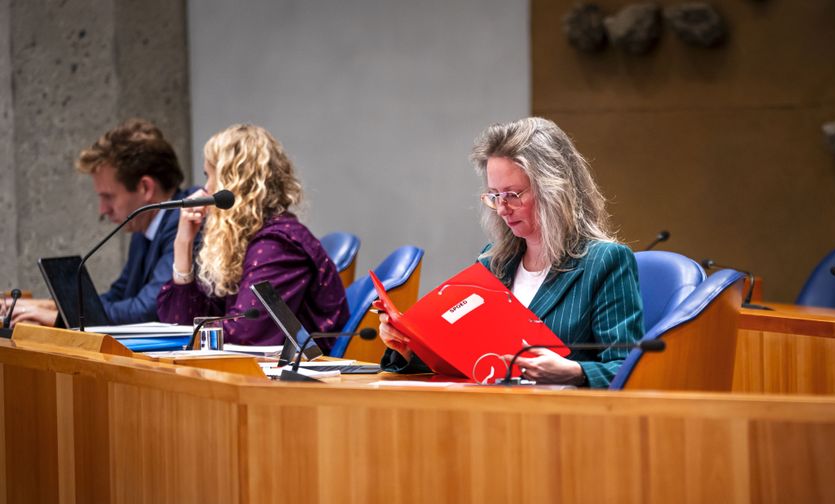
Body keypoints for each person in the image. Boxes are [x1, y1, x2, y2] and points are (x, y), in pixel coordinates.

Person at [379, 117, 643, 388]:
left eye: (513, 194)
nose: (503, 208)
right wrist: (410, 349)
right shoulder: (493, 262)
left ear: (555, 190)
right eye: (494, 196)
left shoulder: (605, 261)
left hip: (561, 419)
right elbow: (465, 357)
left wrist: (575, 371)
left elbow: (627, 369)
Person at [157, 124, 348, 348]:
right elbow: (180, 322)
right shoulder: (246, 241)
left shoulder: (277, 245)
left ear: (234, 185)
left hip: (304, 380)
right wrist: (183, 244)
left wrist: (195, 335)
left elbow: (246, 335)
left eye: (211, 176)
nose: (205, 188)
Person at [8, 119, 193, 326]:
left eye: (109, 196)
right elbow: (119, 295)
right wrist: (49, 306)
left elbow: (148, 309)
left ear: (145, 188)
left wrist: (62, 320)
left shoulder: (187, 223)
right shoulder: (145, 224)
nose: (102, 210)